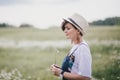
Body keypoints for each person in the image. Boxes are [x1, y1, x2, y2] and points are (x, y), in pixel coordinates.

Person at [50, 13, 92, 80]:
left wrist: (61, 72)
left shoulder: (83, 48)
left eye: (68, 28)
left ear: (78, 30)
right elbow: (73, 70)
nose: (65, 31)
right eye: (64, 28)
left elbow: (85, 77)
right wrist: (59, 70)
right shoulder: (75, 46)